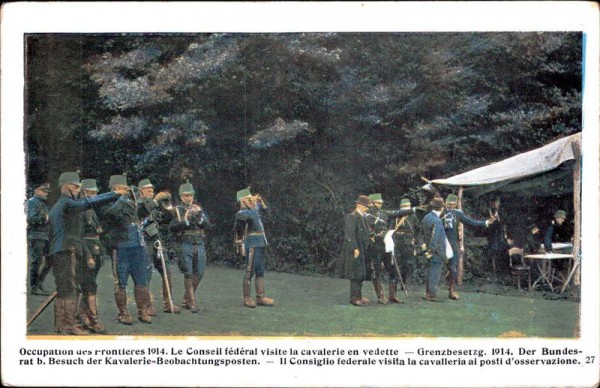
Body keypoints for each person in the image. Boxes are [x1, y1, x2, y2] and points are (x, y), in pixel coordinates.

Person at [48, 171, 124, 335]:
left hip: (61, 250)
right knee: (70, 289)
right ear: (65, 187)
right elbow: (88, 202)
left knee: (65, 288)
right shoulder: (67, 203)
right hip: (67, 250)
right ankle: (68, 325)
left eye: (78, 187)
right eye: (75, 187)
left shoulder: (60, 206)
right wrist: (114, 194)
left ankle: (61, 326)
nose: (77, 190)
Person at [104, 174, 152, 325]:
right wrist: (121, 198)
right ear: (113, 189)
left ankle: (142, 311)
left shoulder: (132, 202)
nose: (124, 191)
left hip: (137, 246)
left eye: (124, 188)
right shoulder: (107, 203)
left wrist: (145, 198)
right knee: (121, 281)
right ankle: (123, 313)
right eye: (120, 188)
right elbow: (111, 214)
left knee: (141, 280)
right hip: (121, 247)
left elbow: (146, 210)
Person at [137, 178, 180, 314]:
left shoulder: (155, 204)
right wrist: (156, 200)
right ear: (140, 191)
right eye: (148, 190)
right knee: (147, 273)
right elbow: (143, 211)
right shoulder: (137, 203)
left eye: (152, 190)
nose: (150, 192)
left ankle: (168, 303)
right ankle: (147, 305)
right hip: (144, 241)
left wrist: (170, 212)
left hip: (157, 240)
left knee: (166, 271)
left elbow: (163, 221)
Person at [365, 193, 416, 304]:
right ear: (372, 203)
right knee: (376, 271)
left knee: (393, 269)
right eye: (378, 203)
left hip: (385, 243)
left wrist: (412, 210)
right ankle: (381, 296)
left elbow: (398, 213)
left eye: (381, 203)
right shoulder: (367, 215)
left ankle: (392, 295)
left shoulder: (383, 213)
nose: (380, 205)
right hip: (375, 245)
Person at [442, 194, 494, 300]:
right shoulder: (440, 212)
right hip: (440, 242)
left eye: (452, 204)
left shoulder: (458, 213)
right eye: (449, 204)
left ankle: (451, 290)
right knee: (435, 265)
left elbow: (471, 222)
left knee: (453, 267)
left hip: (452, 244)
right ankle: (430, 291)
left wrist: (486, 222)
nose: (450, 206)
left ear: (456, 204)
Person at [170, 180, 211, 313]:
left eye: (191, 195)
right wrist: (185, 219)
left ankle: (186, 298)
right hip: (185, 241)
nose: (189, 198)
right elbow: (173, 228)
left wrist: (200, 218)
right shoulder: (177, 210)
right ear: (181, 196)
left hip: (199, 241)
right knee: (188, 272)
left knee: (199, 272)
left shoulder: (198, 208)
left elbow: (208, 225)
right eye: (186, 195)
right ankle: (192, 302)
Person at [77, 179, 108, 333]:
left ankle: (83, 316)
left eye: (95, 193)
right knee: (89, 286)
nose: (94, 195)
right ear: (83, 192)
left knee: (89, 285)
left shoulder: (92, 209)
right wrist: (88, 256)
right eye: (91, 193)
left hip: (95, 251)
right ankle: (92, 320)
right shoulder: (81, 209)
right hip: (86, 252)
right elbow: (80, 236)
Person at [234, 188, 274, 308]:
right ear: (242, 201)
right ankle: (247, 297)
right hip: (251, 244)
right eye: (248, 199)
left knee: (260, 271)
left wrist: (261, 203)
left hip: (260, 243)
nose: (252, 201)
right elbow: (241, 225)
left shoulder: (255, 212)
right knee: (249, 271)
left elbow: (268, 216)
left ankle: (260, 297)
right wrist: (251, 207)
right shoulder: (242, 214)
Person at [340, 195, 372, 306]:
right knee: (355, 274)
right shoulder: (352, 217)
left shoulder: (362, 217)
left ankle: (359, 295)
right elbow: (349, 235)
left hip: (362, 249)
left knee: (360, 273)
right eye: (365, 206)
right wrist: (355, 248)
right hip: (355, 249)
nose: (367, 208)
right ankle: (354, 298)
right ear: (359, 205)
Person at [392, 198, 425, 290]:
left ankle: (404, 282)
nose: (406, 208)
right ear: (401, 207)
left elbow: (419, 229)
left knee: (406, 263)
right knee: (396, 262)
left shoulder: (413, 217)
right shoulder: (396, 216)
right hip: (396, 241)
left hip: (408, 241)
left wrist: (416, 239)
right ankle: (394, 282)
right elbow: (391, 228)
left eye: (408, 206)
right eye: (404, 206)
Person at [421, 196, 450, 302]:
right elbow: (435, 237)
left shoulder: (426, 217)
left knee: (430, 271)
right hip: (436, 251)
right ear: (441, 208)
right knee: (435, 273)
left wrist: (426, 249)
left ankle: (428, 292)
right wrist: (432, 250)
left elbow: (424, 234)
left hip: (428, 249)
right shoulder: (437, 221)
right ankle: (431, 294)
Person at [27, 182, 52, 295]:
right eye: (43, 191)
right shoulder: (32, 203)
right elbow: (31, 219)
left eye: (47, 191)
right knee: (36, 262)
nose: (46, 193)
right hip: (36, 235)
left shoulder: (42, 203)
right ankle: (34, 286)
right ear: (36, 190)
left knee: (49, 260)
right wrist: (45, 217)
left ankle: (39, 282)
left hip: (44, 236)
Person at [486, 196, 510, 273]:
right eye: (496, 202)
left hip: (500, 235)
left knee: (503, 250)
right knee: (494, 251)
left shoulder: (501, 212)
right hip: (492, 235)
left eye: (498, 202)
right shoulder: (489, 211)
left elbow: (504, 223)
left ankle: (502, 269)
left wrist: (505, 234)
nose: (498, 204)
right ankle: (493, 270)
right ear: (492, 203)